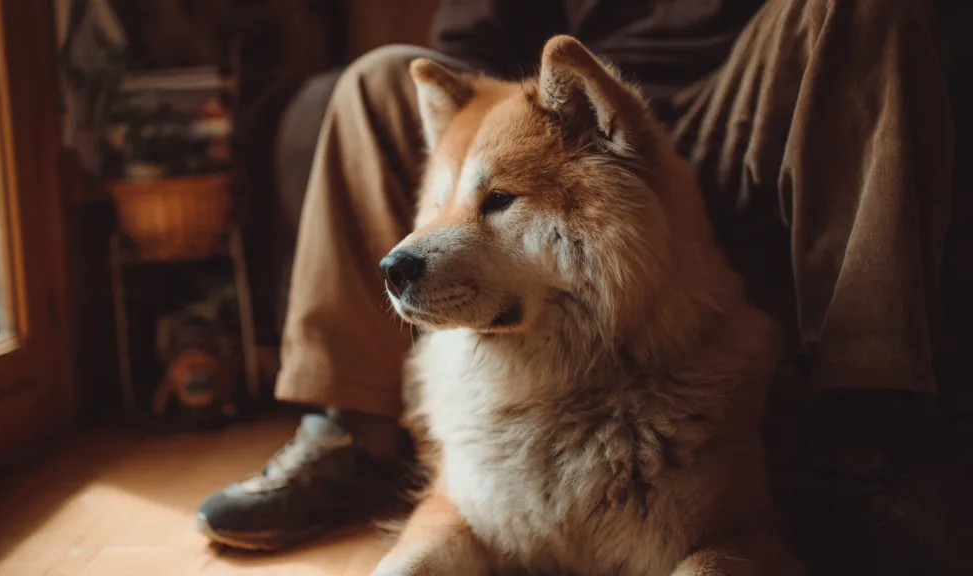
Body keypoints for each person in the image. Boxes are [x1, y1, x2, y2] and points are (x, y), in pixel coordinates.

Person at [197, 0, 970, 570]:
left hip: (733, 90)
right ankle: (347, 427)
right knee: (372, 81)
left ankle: (867, 425)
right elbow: (464, 45)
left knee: (870, 8)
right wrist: (531, 123)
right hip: (559, 104)